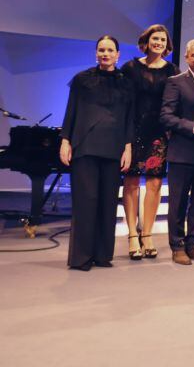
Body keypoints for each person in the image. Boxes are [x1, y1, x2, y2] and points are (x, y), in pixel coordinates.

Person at [60, 35, 133, 271]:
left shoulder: (126, 82)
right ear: (96, 53)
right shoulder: (82, 80)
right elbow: (71, 112)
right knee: (85, 201)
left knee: (107, 202)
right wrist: (65, 141)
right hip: (85, 147)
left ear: (118, 54)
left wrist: (128, 147)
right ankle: (81, 258)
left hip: (113, 149)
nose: (105, 53)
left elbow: (130, 118)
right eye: (101, 49)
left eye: (110, 50)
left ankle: (102, 255)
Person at [120, 24, 179, 259]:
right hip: (133, 132)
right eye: (155, 38)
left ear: (167, 45)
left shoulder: (172, 70)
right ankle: (132, 236)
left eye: (163, 40)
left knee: (154, 184)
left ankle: (148, 235)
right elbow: (122, 102)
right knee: (131, 182)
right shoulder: (130, 68)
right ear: (146, 41)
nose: (159, 43)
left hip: (159, 134)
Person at [159, 39, 194, 265]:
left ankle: (193, 243)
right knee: (178, 202)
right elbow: (166, 116)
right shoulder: (175, 82)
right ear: (186, 58)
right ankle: (177, 246)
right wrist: (193, 126)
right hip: (182, 153)